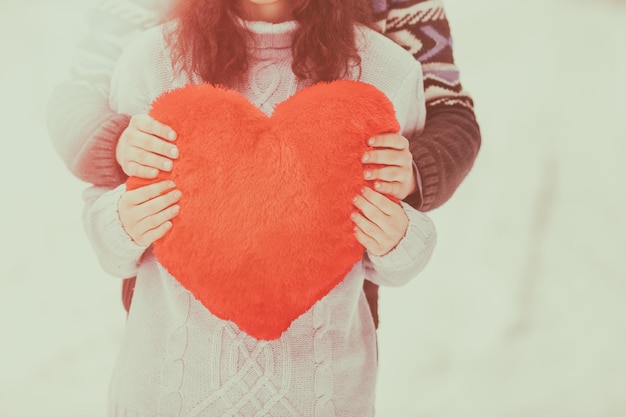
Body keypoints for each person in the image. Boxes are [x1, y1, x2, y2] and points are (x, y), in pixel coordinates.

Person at [81, 0, 435, 414]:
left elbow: (395, 256)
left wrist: (399, 239)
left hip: (322, 399)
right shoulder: (153, 61)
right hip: (167, 396)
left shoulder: (386, 72)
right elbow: (106, 238)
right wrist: (123, 222)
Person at [47, 0, 480, 325]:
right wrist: (117, 143)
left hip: (323, 313)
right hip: (173, 315)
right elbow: (75, 97)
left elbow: (451, 112)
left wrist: (413, 171)